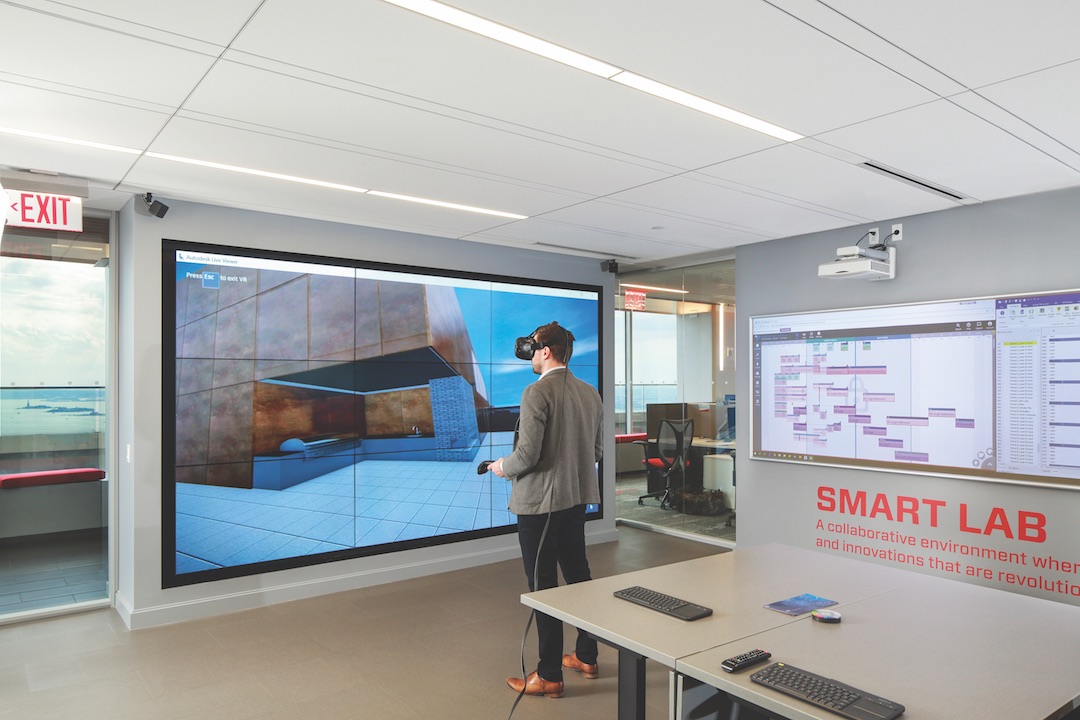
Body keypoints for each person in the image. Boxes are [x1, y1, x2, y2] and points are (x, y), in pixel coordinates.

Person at [489, 321, 603, 698]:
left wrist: (503, 466)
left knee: (544, 589)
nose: (531, 355)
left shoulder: (536, 392)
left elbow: (528, 455)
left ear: (546, 351)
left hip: (539, 507)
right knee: (579, 578)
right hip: (574, 502)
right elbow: (596, 452)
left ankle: (550, 675)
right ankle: (587, 656)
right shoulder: (591, 393)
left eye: (533, 348)